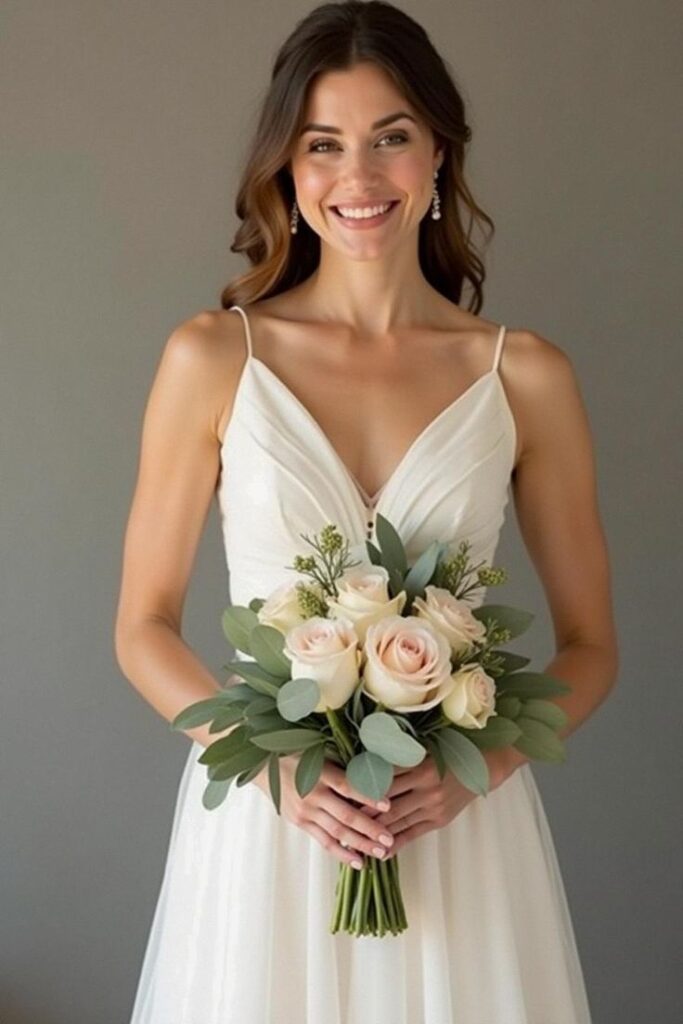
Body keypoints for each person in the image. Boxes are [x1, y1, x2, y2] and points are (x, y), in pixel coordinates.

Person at [115, 2, 619, 1020]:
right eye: (323, 145)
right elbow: (141, 627)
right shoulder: (214, 358)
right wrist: (275, 775)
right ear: (288, 173)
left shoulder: (522, 375)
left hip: (454, 827)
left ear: (437, 153)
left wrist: (482, 769)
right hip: (274, 828)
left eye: (390, 137)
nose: (359, 176)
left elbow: (590, 646)